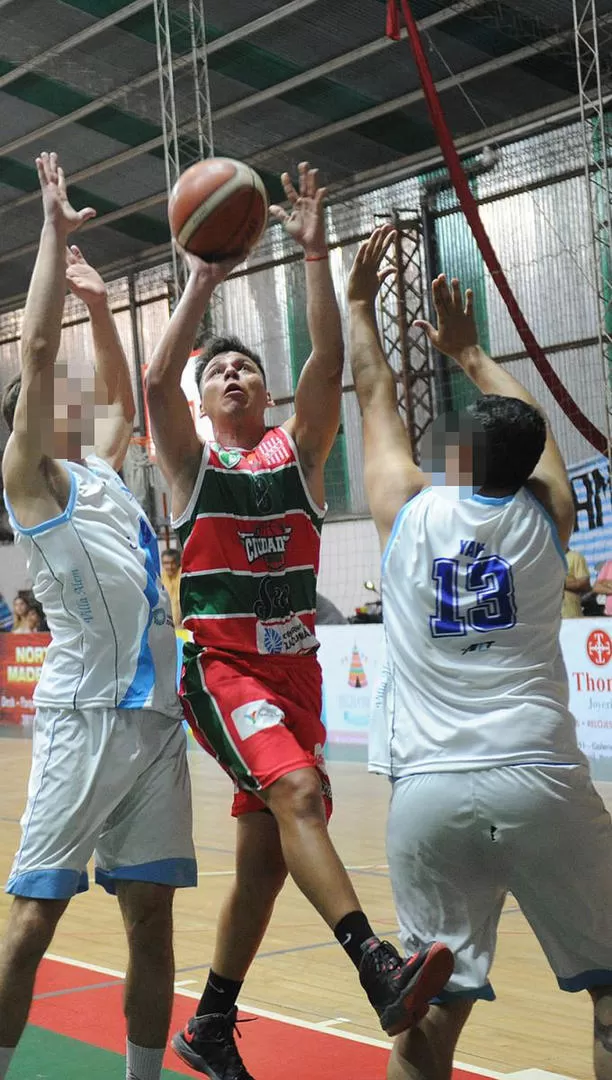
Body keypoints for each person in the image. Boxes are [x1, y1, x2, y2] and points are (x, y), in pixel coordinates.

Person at [146, 164, 452, 1079]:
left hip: (297, 674)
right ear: (204, 406)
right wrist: (201, 273)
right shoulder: (190, 467)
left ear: (267, 397)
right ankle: (378, 968)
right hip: (224, 673)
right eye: (219, 371)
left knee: (268, 864)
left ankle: (208, 1024)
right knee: (301, 797)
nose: (232, 372)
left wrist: (314, 251)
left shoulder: (300, 452)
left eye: (245, 365)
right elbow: (159, 375)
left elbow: (326, 362)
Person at [348, 225, 612, 1080]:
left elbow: (376, 395)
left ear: (455, 455)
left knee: (432, 1023)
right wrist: (469, 352)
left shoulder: (404, 513)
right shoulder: (548, 518)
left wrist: (358, 307)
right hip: (541, 779)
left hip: (428, 797)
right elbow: (536, 439)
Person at [0, 152, 197, 1080]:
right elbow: (36, 360)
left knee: (150, 918)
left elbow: (120, 400)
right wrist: (50, 235)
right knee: (36, 919)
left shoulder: (105, 479)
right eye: (44, 407)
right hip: (83, 721)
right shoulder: (32, 485)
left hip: (156, 725)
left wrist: (101, 306)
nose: (65, 404)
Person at [562, 547, 590, 618]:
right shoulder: (546, 560)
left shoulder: (576, 557)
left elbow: (585, 584)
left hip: (570, 616)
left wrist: (558, 583)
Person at [161, 547, 182, 629]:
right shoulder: (160, 578)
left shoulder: (184, 577)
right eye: (166, 563)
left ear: (178, 562)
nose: (169, 566)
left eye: (172, 563)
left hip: (183, 628)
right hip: (167, 627)